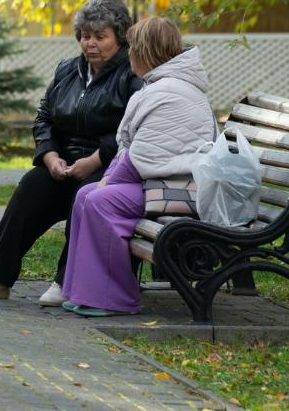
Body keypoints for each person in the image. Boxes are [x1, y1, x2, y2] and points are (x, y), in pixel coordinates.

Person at [0, 0, 142, 304]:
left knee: (88, 192)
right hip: (63, 162)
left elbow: (132, 130)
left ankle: (67, 281)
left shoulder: (131, 75)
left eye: (99, 36)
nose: (89, 43)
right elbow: (44, 117)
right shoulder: (68, 70)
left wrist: (94, 159)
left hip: (108, 167)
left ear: (120, 37)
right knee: (31, 185)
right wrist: (50, 155)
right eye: (84, 35)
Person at [60, 16, 215, 316]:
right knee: (85, 195)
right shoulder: (163, 85)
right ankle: (87, 292)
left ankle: (114, 298)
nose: (128, 54)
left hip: (180, 191)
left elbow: (143, 155)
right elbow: (136, 149)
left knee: (99, 200)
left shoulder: (168, 91)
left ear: (144, 52)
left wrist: (109, 180)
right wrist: (108, 177)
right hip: (162, 184)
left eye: (132, 48)